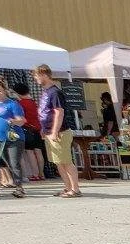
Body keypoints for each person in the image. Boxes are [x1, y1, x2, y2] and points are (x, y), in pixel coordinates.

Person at [34, 64, 81, 198]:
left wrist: (55, 131)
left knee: (66, 161)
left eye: (37, 76)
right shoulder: (46, 92)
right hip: (49, 132)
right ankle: (67, 187)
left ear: (44, 75)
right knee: (58, 162)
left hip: (60, 132)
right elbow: (45, 112)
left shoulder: (55, 92)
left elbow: (59, 112)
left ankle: (75, 189)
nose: (36, 79)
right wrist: (44, 129)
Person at [11, 82, 44, 182]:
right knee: (38, 151)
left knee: (30, 152)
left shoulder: (20, 104)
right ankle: (41, 174)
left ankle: (35, 174)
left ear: (17, 93)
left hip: (27, 129)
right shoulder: (33, 102)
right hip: (37, 128)